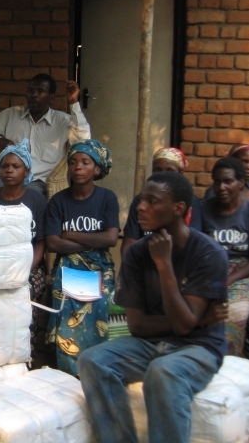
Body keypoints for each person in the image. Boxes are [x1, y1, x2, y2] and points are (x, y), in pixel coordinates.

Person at [77, 171, 229, 443]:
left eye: (152, 201)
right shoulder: (136, 253)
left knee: (163, 371)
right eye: (141, 199)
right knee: (92, 360)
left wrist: (164, 265)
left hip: (199, 347)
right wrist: (198, 319)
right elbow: (138, 326)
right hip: (151, 343)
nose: (140, 206)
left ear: (178, 208)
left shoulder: (208, 254)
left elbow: (184, 327)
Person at [44, 139, 119, 376]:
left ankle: (100, 367)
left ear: (97, 169)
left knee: (103, 303)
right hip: (68, 266)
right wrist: (92, 240)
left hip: (99, 266)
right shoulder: (58, 201)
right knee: (68, 306)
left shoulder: (107, 198)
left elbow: (111, 239)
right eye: (73, 162)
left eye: (85, 162)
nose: (78, 167)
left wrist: (72, 234)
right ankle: (70, 371)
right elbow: (53, 243)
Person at [0, 139, 48, 368]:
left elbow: (41, 243)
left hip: (29, 266)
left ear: (26, 171)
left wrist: (25, 269)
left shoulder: (36, 200)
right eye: (5, 166)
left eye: (15, 166)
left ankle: (26, 356)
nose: (9, 170)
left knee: (26, 295)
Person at [0, 73, 90, 199]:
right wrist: (0, 141)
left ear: (51, 97)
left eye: (40, 91)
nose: (34, 95)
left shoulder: (63, 121)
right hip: (4, 176)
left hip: (37, 179)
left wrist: (73, 102)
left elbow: (83, 140)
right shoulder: (11, 114)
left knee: (30, 200)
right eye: (31, 91)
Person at [200, 157, 249, 357]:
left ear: (241, 182)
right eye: (217, 182)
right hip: (209, 269)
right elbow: (195, 250)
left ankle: (230, 361)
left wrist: (229, 279)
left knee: (236, 311)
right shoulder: (203, 209)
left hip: (242, 272)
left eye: (228, 181)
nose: (221, 187)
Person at [121, 147, 203, 256]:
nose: (163, 175)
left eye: (170, 170)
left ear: (180, 173)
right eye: (158, 170)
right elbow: (129, 243)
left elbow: (193, 244)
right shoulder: (140, 201)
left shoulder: (191, 202)